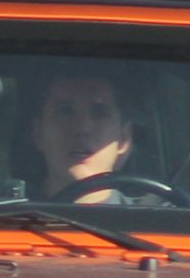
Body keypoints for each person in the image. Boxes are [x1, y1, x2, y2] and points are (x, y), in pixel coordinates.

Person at [24, 70, 138, 205]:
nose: (82, 128)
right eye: (65, 112)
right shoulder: (0, 218)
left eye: (99, 113)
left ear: (123, 139)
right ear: (38, 133)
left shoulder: (153, 222)